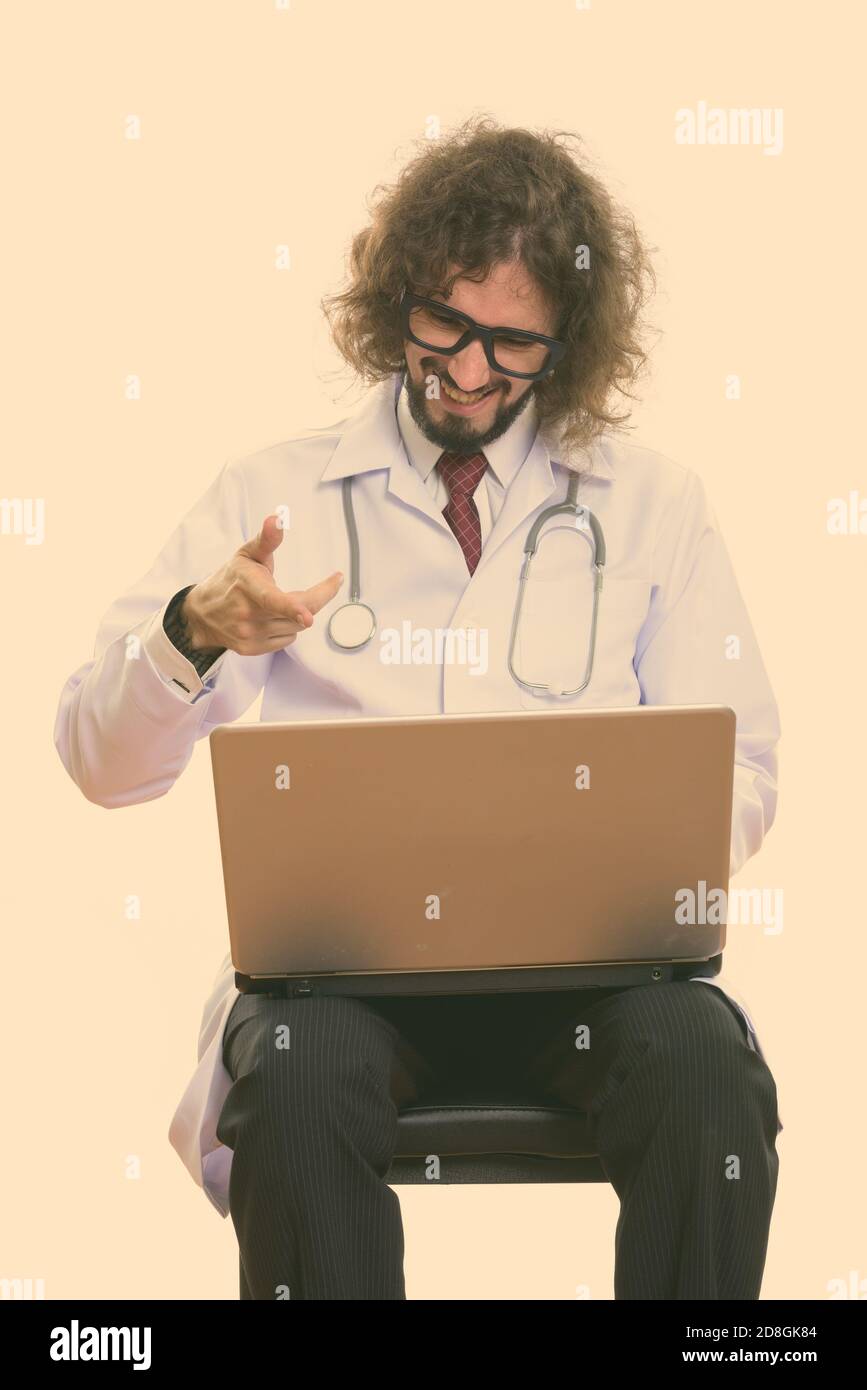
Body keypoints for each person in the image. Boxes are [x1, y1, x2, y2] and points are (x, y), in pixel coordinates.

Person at [54, 116, 782, 1300]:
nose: (471, 369)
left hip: (590, 986)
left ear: (570, 345)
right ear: (398, 298)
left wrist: (633, 849)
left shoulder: (655, 506)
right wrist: (192, 632)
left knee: (706, 1065)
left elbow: (743, 767)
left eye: (515, 344)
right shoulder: (271, 497)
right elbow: (97, 759)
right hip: (344, 994)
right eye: (445, 324)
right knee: (293, 1069)